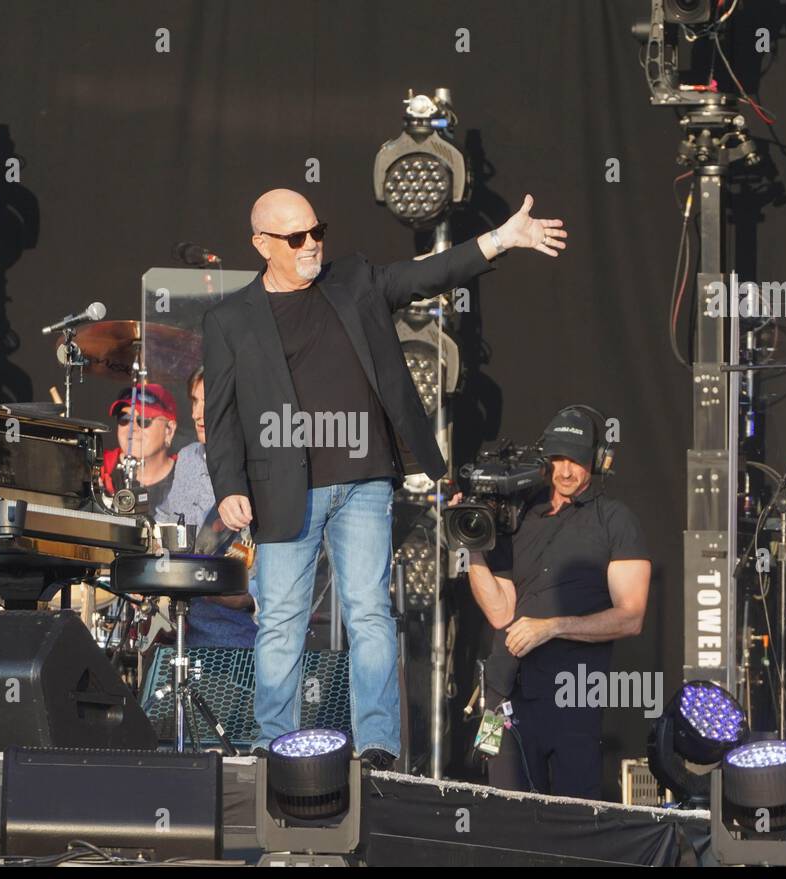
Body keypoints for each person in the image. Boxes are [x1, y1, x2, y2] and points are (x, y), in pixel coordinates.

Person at [202, 186, 568, 768]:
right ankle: (274, 744)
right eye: (296, 237)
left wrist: (502, 239)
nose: (312, 245)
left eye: (317, 230)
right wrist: (229, 486)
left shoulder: (354, 281)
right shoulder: (229, 319)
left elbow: (429, 274)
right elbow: (219, 419)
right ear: (262, 244)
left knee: (369, 611)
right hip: (281, 486)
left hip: (365, 480)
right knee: (279, 619)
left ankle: (376, 745)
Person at [462, 407, 651, 798]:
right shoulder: (516, 516)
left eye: (576, 461)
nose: (565, 471)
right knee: (506, 814)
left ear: (597, 461)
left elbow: (631, 617)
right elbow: (500, 611)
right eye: (558, 459)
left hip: (573, 695)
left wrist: (553, 627)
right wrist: (473, 546)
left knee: (571, 819)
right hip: (503, 694)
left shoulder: (615, 520)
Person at [161, 367, 259, 647]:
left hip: (242, 634)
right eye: (194, 401)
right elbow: (170, 528)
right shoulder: (189, 458)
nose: (196, 414)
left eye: (208, 402)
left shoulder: (262, 468)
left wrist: (250, 597)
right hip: (182, 627)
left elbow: (297, 565)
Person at [99, 382, 180, 520]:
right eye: (124, 419)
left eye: (143, 420)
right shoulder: (99, 468)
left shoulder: (188, 475)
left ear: (169, 430)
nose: (132, 428)